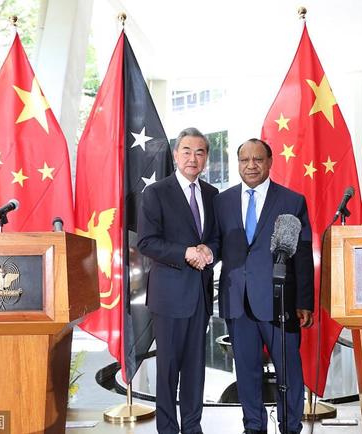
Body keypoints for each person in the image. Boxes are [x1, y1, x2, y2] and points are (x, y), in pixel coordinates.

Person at [210, 138, 314, 434]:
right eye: (245, 160)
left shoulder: (292, 200)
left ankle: (290, 425)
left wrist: (304, 301)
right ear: (238, 164)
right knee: (246, 370)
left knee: (289, 370)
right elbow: (217, 245)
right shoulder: (222, 201)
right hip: (236, 300)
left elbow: (303, 253)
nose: (251, 165)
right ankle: (253, 426)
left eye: (257, 159)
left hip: (279, 299)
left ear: (270, 163)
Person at [137, 127, 218, 434]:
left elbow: (217, 239)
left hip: (200, 296)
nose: (192, 158)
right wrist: (185, 252)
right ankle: (168, 429)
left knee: (195, 371)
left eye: (199, 152)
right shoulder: (156, 193)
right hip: (169, 298)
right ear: (175, 155)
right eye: (186, 151)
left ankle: (193, 427)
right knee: (168, 370)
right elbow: (147, 242)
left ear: (206, 158)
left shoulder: (212, 195)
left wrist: (209, 251)